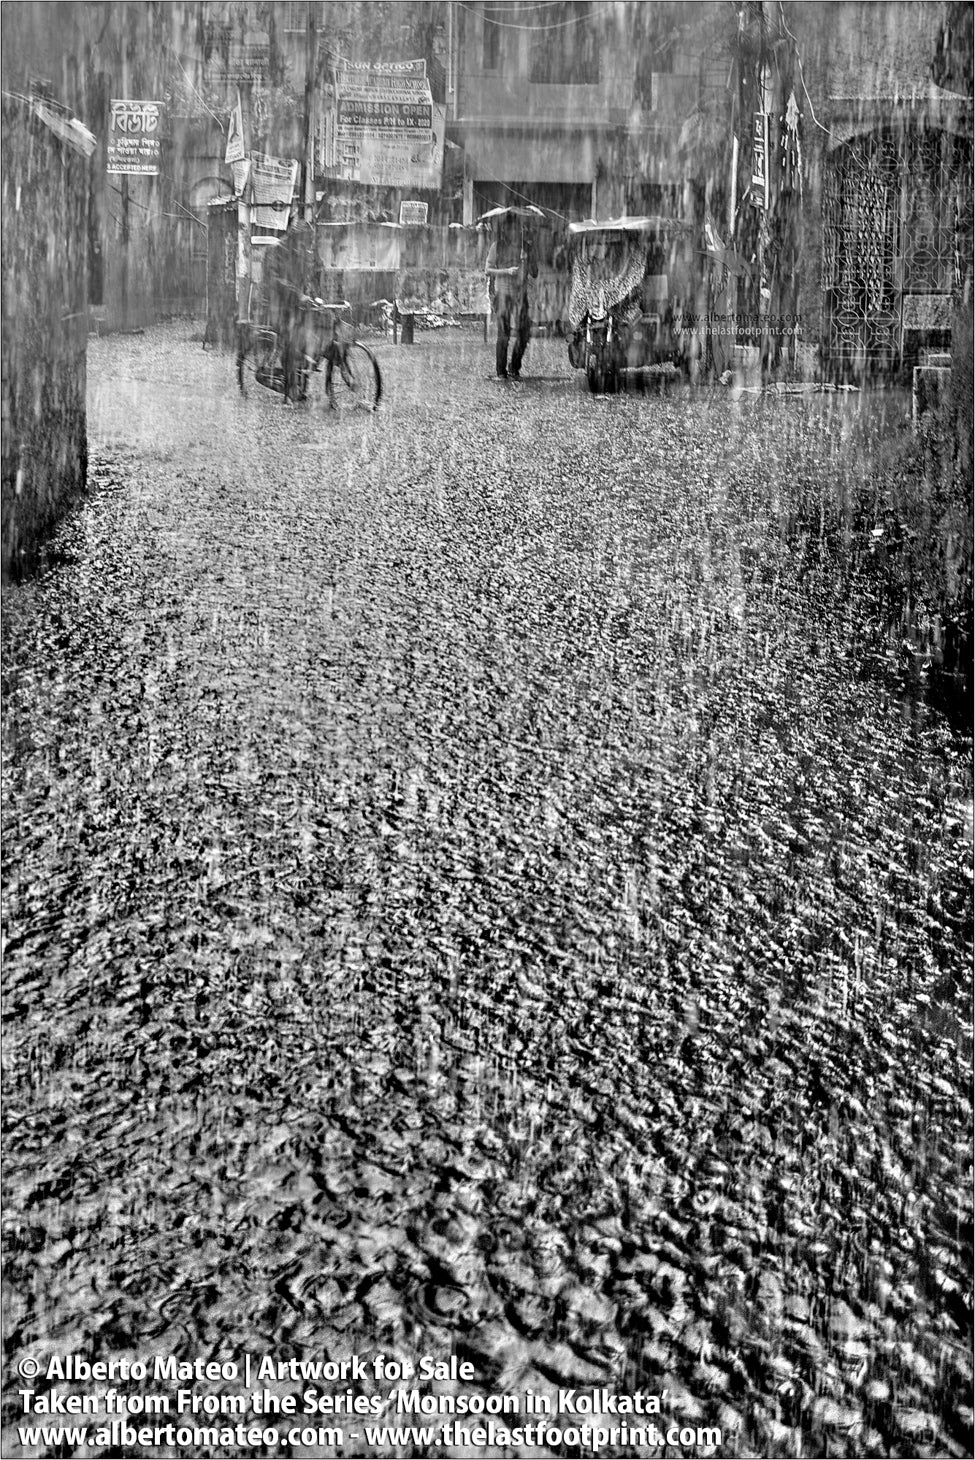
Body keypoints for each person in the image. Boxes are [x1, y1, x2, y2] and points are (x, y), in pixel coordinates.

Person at [485, 214, 539, 380]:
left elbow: (534, 273)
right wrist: (506, 271)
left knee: (524, 332)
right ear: (504, 230)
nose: (514, 232)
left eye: (517, 228)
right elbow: (488, 270)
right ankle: (501, 372)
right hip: (502, 293)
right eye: (510, 229)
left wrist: (527, 259)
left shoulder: (527, 247)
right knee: (504, 333)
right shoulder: (497, 246)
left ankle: (514, 367)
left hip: (520, 295)